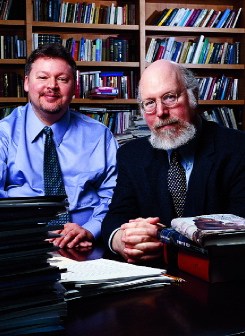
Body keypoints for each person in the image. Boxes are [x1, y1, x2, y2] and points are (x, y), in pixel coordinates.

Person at [101, 59, 245, 264]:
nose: (161, 112)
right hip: (151, 279)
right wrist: (122, 240)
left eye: (169, 97)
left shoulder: (237, 148)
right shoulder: (131, 155)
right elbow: (116, 217)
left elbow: (238, 231)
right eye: (150, 103)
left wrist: (164, 238)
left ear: (193, 96)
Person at [0, 43, 118, 248]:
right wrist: (26, 233)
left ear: (74, 86)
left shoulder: (99, 135)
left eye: (62, 79)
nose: (52, 86)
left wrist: (90, 229)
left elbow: (114, 195)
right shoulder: (4, 134)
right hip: (22, 244)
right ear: (27, 83)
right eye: (43, 77)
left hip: (85, 245)